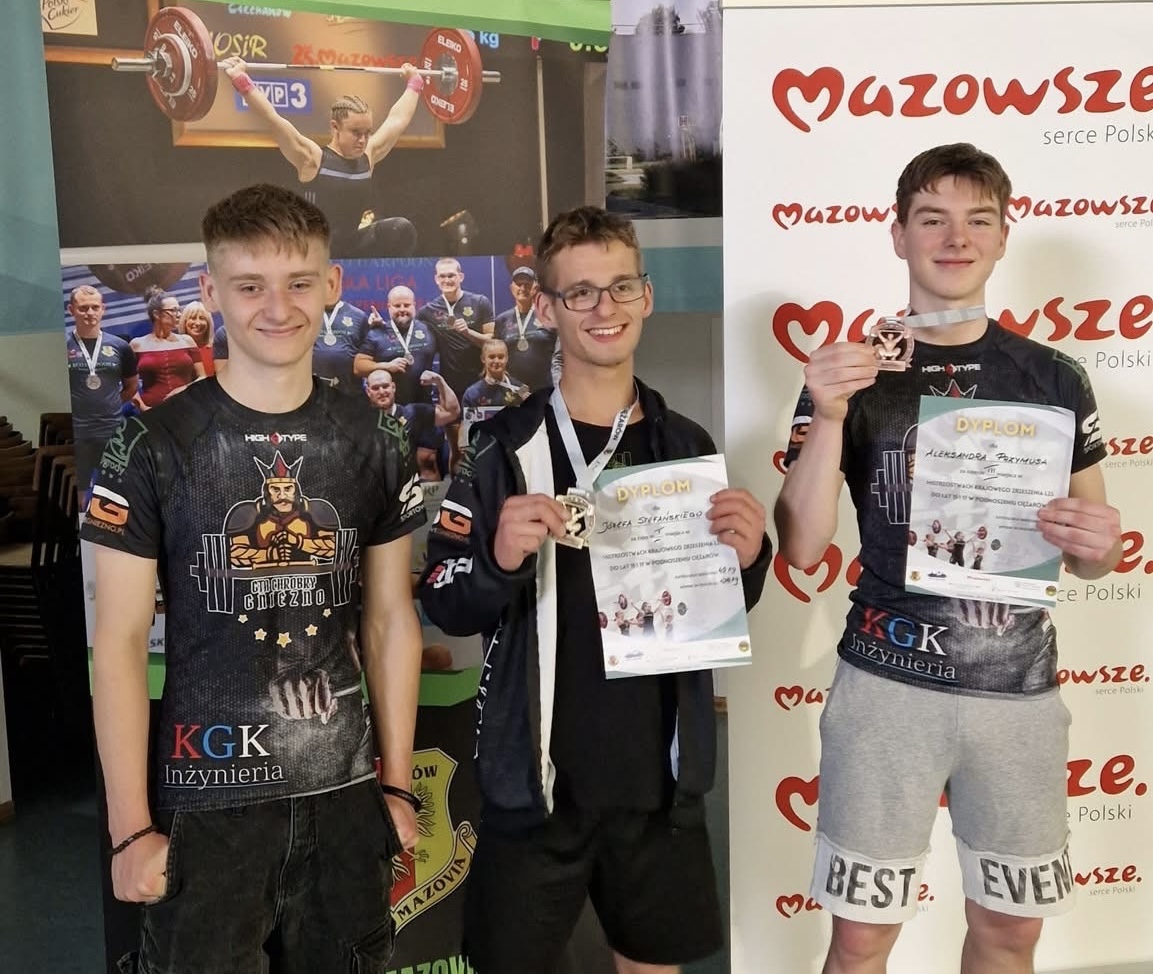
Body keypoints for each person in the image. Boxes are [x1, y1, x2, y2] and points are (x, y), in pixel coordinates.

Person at [773, 143, 1122, 974]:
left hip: (1017, 691)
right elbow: (802, 545)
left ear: (1003, 236)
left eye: (977, 220)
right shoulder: (850, 372)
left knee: (1010, 931)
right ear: (897, 235)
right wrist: (828, 414)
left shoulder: (1052, 376)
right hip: (885, 686)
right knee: (860, 939)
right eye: (931, 219)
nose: (955, 238)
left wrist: (1100, 545)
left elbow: (1094, 553)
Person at [82, 183, 426, 973]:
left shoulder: (375, 438)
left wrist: (398, 787)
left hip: (344, 796)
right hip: (206, 802)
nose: (277, 307)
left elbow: (389, 620)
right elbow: (120, 642)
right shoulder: (150, 445)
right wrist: (130, 830)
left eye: (298, 282)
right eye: (249, 286)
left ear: (331, 285)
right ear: (210, 293)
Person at [418, 205, 771, 974]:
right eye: (579, 292)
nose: (603, 308)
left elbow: (714, 604)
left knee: (652, 965)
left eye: (620, 287)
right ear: (547, 308)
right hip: (537, 779)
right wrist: (498, 558)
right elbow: (442, 596)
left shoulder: (685, 444)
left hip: (657, 775)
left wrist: (748, 557)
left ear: (646, 296)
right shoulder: (500, 447)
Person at [222, 59, 421, 258]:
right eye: (355, 132)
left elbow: (398, 120)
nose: (363, 140)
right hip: (310, 248)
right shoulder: (313, 158)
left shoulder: (368, 155)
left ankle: (379, 275)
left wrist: (415, 83)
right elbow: (272, 118)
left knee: (400, 229)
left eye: (367, 132)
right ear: (335, 127)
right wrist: (240, 78)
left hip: (348, 247)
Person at [215, 283, 370, 394]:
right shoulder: (225, 334)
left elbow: (366, 358)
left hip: (347, 395)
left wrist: (379, 330)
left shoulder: (358, 316)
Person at [66, 285, 138, 480]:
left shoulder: (120, 346)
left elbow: (132, 385)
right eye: (83, 308)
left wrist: (111, 403)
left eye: (95, 307)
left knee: (115, 486)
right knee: (78, 487)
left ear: (103, 309)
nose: (90, 313)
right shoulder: (63, 345)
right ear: (71, 310)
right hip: (76, 431)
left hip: (112, 429)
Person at [415, 257, 496, 399]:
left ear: (461, 277)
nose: (447, 280)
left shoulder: (480, 302)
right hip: (449, 385)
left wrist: (468, 332)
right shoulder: (427, 311)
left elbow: (493, 343)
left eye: (451, 275)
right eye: (442, 276)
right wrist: (380, 326)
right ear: (436, 279)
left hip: (480, 381)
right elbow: (408, 332)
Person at [364, 368, 460, 482]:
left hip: (407, 485)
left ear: (393, 387)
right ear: (368, 391)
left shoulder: (412, 413)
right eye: (375, 388)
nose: (381, 391)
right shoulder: (359, 421)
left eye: (385, 386)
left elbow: (452, 412)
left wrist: (439, 381)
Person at [355, 285, 439, 404]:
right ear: (389, 307)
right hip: (390, 407)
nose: (402, 309)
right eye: (397, 306)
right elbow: (358, 367)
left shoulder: (429, 329)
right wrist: (387, 366)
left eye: (407, 305)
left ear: (414, 305)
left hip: (424, 406)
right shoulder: (377, 333)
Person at [130, 286, 205, 408]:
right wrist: (143, 408)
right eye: (174, 310)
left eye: (179, 310)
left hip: (187, 408)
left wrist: (184, 389)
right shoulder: (137, 345)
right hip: (153, 412)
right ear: (156, 314)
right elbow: (129, 384)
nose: (179, 314)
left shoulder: (187, 341)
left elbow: (202, 377)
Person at [493, 266, 557, 391]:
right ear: (512, 288)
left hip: (544, 388)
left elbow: (562, 354)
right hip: (512, 389)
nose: (522, 288)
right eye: (519, 284)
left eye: (527, 284)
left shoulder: (549, 316)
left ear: (535, 288)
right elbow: (497, 354)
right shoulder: (502, 320)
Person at [460, 338, 531, 409]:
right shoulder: (472, 394)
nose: (496, 361)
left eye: (500, 357)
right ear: (483, 359)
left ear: (507, 358)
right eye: (491, 357)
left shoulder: (521, 389)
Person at [176, 300, 216, 376]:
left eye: (202, 318)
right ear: (184, 322)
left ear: (208, 323)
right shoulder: (177, 351)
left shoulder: (217, 350)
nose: (198, 323)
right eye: (193, 318)